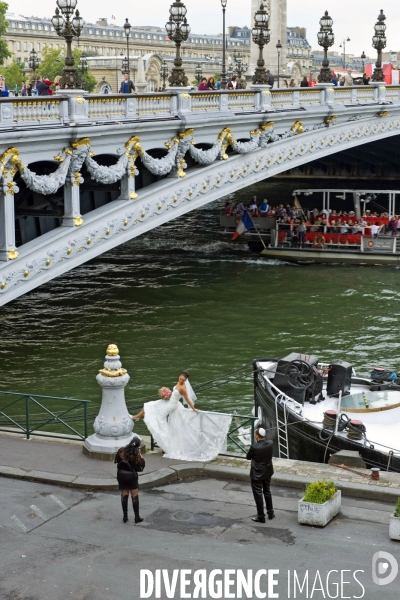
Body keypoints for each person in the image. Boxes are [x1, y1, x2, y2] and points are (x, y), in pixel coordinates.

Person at [131, 371, 232, 462]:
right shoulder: (178, 383)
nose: (181, 381)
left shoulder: (183, 388)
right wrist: (166, 394)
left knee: (160, 418)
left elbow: (187, 399)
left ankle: (165, 443)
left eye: (183, 380)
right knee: (150, 405)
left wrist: (193, 409)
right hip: (169, 401)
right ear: (179, 377)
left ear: (186, 380)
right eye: (180, 379)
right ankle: (137, 416)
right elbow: (174, 393)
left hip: (171, 405)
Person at [246, 427, 274, 523]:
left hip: (257, 473)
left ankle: (261, 516)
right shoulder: (270, 443)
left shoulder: (254, 447)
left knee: (258, 494)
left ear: (257, 436)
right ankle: (270, 513)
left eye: (255, 434)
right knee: (267, 491)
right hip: (268, 471)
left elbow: (248, 457)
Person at [114, 436, 145, 524]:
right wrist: (140, 454)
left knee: (124, 494)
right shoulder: (136, 453)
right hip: (131, 476)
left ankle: (125, 517)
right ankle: (137, 517)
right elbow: (142, 465)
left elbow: (116, 461)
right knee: (134, 496)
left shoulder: (121, 450)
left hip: (121, 475)